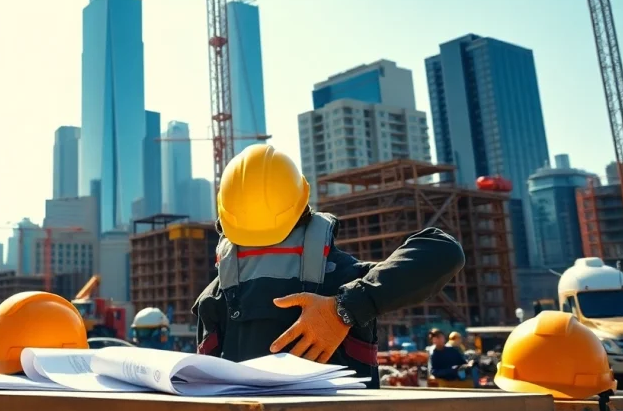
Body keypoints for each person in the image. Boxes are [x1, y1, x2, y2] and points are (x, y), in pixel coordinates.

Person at [192, 144, 466, 388]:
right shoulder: (345, 278)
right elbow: (444, 250)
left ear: (225, 222)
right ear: (302, 206)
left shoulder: (214, 298)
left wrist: (342, 309)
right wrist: (346, 307)